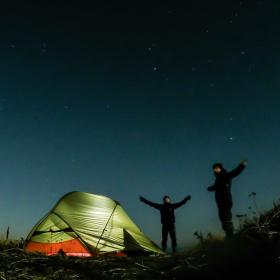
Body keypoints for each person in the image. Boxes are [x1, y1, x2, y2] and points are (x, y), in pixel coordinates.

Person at [207, 160, 247, 237]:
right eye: (214, 168)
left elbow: (235, 172)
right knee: (223, 219)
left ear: (221, 168)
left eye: (217, 168)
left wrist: (242, 165)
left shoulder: (225, 175)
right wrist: (209, 188)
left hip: (225, 201)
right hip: (220, 203)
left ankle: (231, 236)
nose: (215, 170)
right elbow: (215, 187)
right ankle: (229, 235)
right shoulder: (218, 179)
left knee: (227, 220)